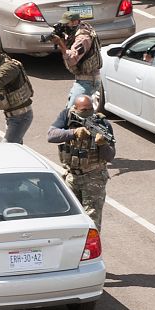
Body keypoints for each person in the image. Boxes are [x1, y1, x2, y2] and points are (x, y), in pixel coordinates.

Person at [47, 94, 115, 228]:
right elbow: (51, 135)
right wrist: (74, 132)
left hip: (93, 178)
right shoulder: (66, 117)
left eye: (90, 109)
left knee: (91, 221)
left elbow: (110, 156)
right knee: (70, 218)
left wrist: (102, 144)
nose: (88, 113)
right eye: (83, 110)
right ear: (75, 108)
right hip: (72, 176)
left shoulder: (103, 124)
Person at [50, 10, 102, 106]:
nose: (65, 26)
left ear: (75, 22)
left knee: (72, 113)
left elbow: (72, 59)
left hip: (88, 81)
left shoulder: (83, 38)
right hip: (83, 79)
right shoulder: (78, 29)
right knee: (77, 113)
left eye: (67, 23)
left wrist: (60, 43)